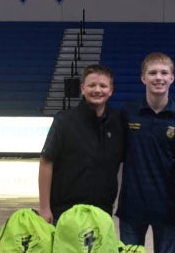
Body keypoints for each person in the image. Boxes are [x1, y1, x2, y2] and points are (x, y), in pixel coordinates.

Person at [117, 52, 175, 253]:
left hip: (168, 205)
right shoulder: (128, 112)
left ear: (172, 78)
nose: (158, 77)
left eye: (164, 73)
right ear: (143, 78)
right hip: (132, 205)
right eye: (153, 73)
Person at [38, 64, 126, 223]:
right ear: (82, 88)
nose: (97, 90)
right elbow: (46, 162)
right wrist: (44, 208)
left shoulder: (118, 123)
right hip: (65, 212)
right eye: (92, 85)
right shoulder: (64, 121)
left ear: (111, 90)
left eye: (103, 86)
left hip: (102, 212)